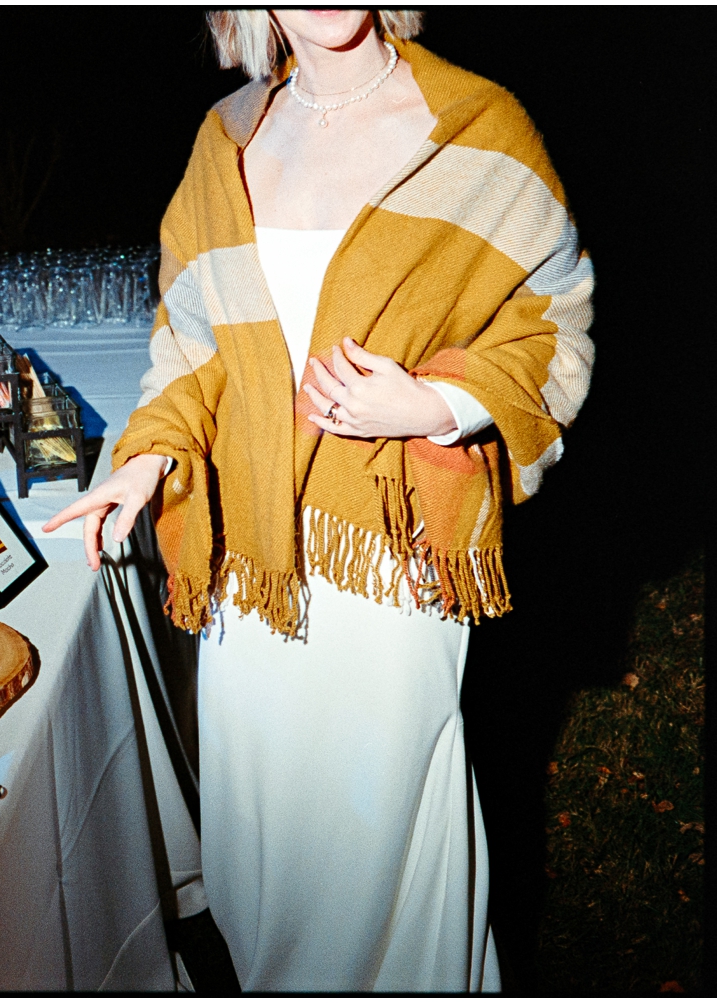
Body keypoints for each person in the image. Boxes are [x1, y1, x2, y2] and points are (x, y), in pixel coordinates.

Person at [43, 9, 593, 993]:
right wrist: (149, 458)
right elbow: (190, 341)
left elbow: (558, 318)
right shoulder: (230, 136)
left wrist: (436, 402)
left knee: (374, 847)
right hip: (252, 560)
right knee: (266, 849)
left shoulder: (472, 126)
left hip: (387, 551)